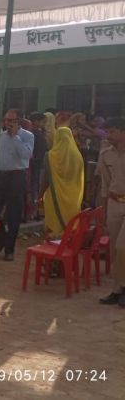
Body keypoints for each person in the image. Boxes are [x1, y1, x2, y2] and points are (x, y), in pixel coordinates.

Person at [0, 109, 34, 261]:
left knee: (14, 215)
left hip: (16, 176)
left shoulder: (27, 136)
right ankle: (2, 239)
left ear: (18, 121)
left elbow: (26, 155)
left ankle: (9, 249)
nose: (8, 123)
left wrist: (15, 137)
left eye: (11, 120)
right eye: (6, 120)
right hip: (0, 176)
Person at [98, 118, 125, 307]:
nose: (109, 136)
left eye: (113, 132)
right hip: (115, 203)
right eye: (107, 132)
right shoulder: (106, 154)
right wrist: (104, 211)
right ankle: (117, 289)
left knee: (123, 247)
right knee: (114, 249)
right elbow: (105, 186)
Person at [41, 127, 84, 238]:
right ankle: (68, 247)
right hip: (73, 197)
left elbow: (46, 178)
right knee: (70, 223)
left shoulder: (51, 156)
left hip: (54, 196)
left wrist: (40, 195)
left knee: (53, 223)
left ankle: (52, 249)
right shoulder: (78, 156)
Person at [29, 113, 48, 220]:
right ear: (36, 121)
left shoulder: (38, 133)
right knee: (35, 187)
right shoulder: (34, 133)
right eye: (42, 122)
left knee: (36, 186)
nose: (44, 124)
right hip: (36, 163)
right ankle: (34, 211)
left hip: (38, 162)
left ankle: (35, 210)